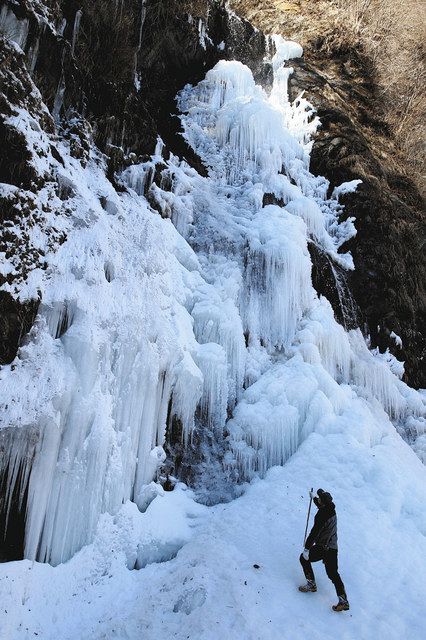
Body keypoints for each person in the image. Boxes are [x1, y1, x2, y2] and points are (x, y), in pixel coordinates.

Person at [298, 489, 349, 612]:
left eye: (320, 499)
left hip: (323, 547)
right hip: (332, 548)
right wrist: (314, 498)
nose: (318, 500)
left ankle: (311, 584)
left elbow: (314, 533)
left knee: (303, 558)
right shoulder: (330, 509)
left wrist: (307, 548)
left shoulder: (322, 516)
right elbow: (321, 505)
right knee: (333, 574)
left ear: (324, 503)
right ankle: (343, 600)